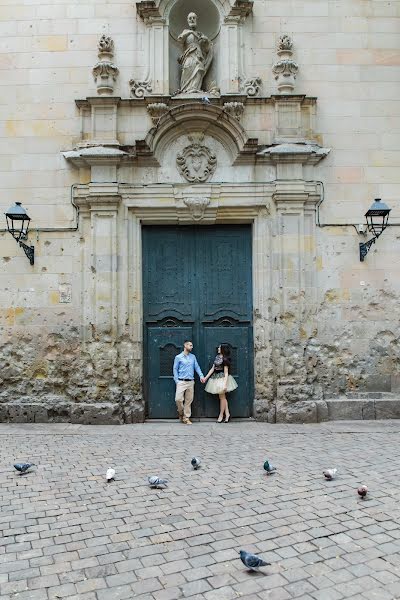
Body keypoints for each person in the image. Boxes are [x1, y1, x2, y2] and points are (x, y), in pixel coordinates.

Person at [177, 12, 213, 94]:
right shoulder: (185, 31)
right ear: (187, 20)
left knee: (199, 69)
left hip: (198, 56)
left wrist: (206, 40)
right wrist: (190, 32)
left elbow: (207, 49)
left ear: (196, 19)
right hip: (189, 56)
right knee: (187, 69)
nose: (192, 20)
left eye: (193, 18)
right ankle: (186, 89)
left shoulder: (200, 34)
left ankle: (195, 88)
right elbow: (180, 40)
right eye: (190, 18)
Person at [173, 340, 205, 425]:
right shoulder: (178, 357)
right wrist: (177, 380)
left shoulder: (193, 357)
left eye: (192, 345)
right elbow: (175, 369)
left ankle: (186, 418)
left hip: (191, 382)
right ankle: (180, 412)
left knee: (188, 401)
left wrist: (201, 376)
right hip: (181, 381)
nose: (192, 347)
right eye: (190, 345)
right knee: (178, 399)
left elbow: (197, 367)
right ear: (185, 345)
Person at [204, 343, 238, 423]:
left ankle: (221, 415)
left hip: (222, 379)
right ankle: (227, 414)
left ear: (223, 349)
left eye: (219, 347)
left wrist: (225, 384)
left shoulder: (225, 359)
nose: (218, 349)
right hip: (215, 378)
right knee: (222, 397)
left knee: (222, 397)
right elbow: (212, 369)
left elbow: (226, 373)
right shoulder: (217, 357)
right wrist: (205, 378)